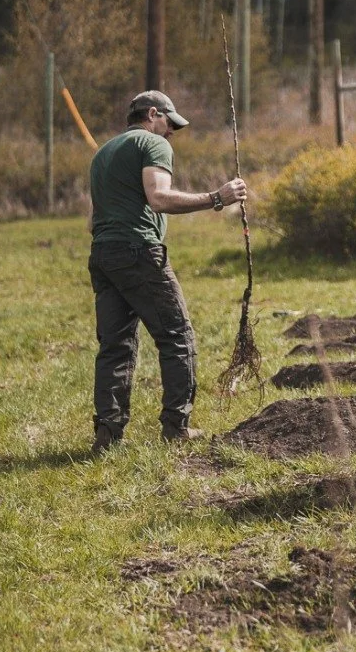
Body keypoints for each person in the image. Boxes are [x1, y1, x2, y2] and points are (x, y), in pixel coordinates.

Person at [87, 90, 247, 454]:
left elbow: (91, 220)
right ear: (153, 114)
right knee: (177, 335)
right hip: (139, 251)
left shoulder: (102, 154)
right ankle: (176, 426)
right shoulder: (152, 144)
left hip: (103, 254)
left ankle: (107, 434)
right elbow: (158, 198)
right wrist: (217, 198)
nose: (172, 132)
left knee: (115, 346)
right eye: (170, 123)